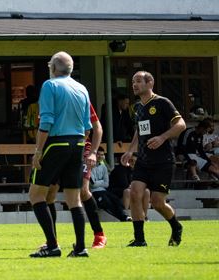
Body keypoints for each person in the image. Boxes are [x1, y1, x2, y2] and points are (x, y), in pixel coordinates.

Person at [27, 51, 93, 258]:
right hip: (78, 142)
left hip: (56, 143)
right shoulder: (81, 88)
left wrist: (38, 151)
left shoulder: (50, 85)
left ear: (54, 67)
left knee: (36, 195)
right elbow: (87, 125)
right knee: (74, 198)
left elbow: (46, 122)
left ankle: (53, 245)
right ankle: (81, 248)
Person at [121, 71, 186, 247]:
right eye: (133, 81)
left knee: (157, 202)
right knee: (134, 193)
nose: (134, 85)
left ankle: (176, 226)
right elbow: (139, 130)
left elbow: (181, 124)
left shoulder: (162, 103)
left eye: (138, 81)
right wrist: (130, 150)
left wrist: (162, 137)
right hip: (143, 160)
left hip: (163, 161)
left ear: (150, 83)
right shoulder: (137, 107)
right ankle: (140, 239)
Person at [42, 103, 105, 248]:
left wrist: (93, 152)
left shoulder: (81, 98)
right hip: (58, 148)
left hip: (80, 147)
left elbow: (96, 128)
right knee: (50, 194)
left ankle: (99, 235)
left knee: (83, 191)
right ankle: (52, 241)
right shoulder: (52, 98)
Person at [89, 150, 129, 222]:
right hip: (94, 192)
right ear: (94, 155)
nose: (100, 156)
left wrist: (99, 182)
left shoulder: (103, 167)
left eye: (102, 155)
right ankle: (124, 217)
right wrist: (102, 181)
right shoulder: (90, 167)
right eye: (98, 154)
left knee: (116, 200)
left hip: (104, 190)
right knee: (106, 202)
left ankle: (125, 216)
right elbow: (93, 185)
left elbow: (106, 184)